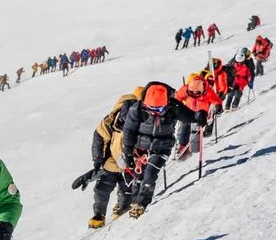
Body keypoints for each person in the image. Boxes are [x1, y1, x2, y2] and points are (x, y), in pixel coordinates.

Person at [118, 81, 194, 218]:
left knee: (150, 175)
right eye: (151, 109)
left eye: (159, 109)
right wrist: (128, 151)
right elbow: (129, 130)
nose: (155, 112)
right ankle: (134, 201)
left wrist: (199, 116)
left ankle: (142, 203)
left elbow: (189, 116)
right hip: (140, 148)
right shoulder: (137, 109)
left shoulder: (173, 107)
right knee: (138, 176)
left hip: (162, 147)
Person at [74, 86, 144, 228]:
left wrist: (98, 160)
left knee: (103, 189)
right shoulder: (140, 115)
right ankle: (120, 208)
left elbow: (99, 138)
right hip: (125, 161)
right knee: (125, 188)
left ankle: (100, 215)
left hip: (113, 160)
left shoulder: (112, 116)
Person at [173, 73, 222, 159]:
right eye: (192, 92)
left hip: (201, 113)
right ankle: (183, 147)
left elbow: (216, 100)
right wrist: (177, 106)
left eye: (197, 93)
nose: (195, 94)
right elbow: (177, 97)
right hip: (188, 111)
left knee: (196, 129)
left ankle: (194, 146)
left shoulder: (208, 91)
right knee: (185, 126)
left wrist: (218, 106)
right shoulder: (185, 89)